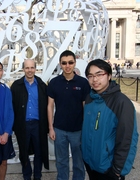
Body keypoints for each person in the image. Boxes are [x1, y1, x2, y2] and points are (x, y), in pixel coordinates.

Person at [82, 59, 138, 180]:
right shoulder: (89, 99)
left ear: (109, 76)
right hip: (91, 164)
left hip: (109, 169)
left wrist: (118, 170)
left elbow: (127, 139)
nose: (95, 80)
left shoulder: (121, 103)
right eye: (90, 76)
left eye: (99, 74)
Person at [47, 50, 90, 180]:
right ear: (60, 64)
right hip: (59, 129)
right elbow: (50, 106)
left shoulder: (83, 83)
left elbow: (86, 106)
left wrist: (86, 129)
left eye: (70, 62)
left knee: (78, 162)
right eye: (64, 63)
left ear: (74, 63)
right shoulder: (54, 82)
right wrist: (50, 128)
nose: (67, 65)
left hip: (78, 130)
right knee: (61, 162)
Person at [11, 59, 49, 180]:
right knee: (24, 152)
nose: (30, 70)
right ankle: (27, 175)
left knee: (39, 152)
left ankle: (37, 175)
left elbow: (48, 106)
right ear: (23, 69)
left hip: (39, 125)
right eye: (27, 68)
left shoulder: (42, 86)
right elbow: (12, 107)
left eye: (32, 67)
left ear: (35, 69)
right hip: (23, 125)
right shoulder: (16, 86)